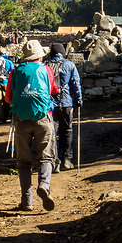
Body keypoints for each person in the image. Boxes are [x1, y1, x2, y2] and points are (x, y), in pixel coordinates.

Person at [5, 40, 59, 212]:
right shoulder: (47, 70)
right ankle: (44, 185)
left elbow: (8, 98)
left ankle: (26, 201)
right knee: (46, 156)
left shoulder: (15, 71)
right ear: (40, 55)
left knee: (23, 162)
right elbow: (54, 90)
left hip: (21, 120)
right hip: (43, 118)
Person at [45, 43, 83, 172]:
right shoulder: (69, 64)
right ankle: (67, 159)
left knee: (52, 132)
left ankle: (55, 161)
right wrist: (79, 99)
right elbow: (75, 83)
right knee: (67, 130)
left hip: (50, 103)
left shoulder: (46, 66)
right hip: (66, 102)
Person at [0, 47, 15, 123]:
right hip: (6, 82)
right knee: (6, 99)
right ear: (4, 53)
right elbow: (13, 72)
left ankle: (0, 118)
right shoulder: (8, 62)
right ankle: (6, 115)